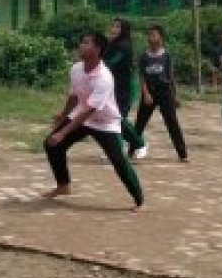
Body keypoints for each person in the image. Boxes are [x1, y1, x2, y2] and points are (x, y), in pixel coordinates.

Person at [42, 31, 145, 212]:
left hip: (105, 122)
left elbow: (90, 110)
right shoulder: (76, 69)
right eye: (81, 42)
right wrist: (63, 116)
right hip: (81, 116)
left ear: (97, 49)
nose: (81, 45)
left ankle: (139, 200)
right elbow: (74, 96)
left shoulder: (104, 77)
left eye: (86, 43)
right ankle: (63, 185)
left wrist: (63, 132)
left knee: (118, 160)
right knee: (51, 145)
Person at [135, 24, 188, 162]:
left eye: (154, 35)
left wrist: (175, 95)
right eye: (149, 35)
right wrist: (145, 94)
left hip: (164, 91)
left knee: (172, 121)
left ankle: (182, 154)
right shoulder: (144, 56)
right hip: (150, 91)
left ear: (161, 38)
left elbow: (170, 76)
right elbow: (142, 77)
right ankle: (131, 150)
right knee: (140, 122)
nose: (151, 38)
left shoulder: (166, 55)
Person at [102, 18, 148, 159]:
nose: (113, 29)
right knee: (111, 120)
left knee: (118, 119)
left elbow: (111, 64)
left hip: (124, 89)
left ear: (124, 30)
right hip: (111, 88)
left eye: (117, 27)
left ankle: (140, 144)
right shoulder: (112, 44)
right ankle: (117, 150)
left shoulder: (124, 46)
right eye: (113, 26)